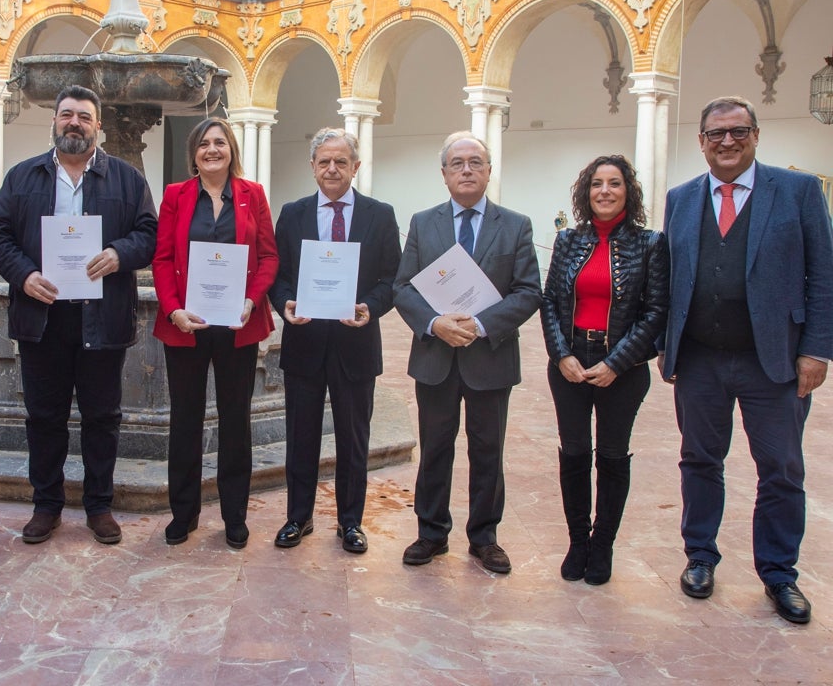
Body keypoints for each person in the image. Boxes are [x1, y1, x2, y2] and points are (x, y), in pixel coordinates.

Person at [660, 96, 833, 624]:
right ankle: (700, 557)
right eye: (716, 134)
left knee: (781, 470)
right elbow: (672, 275)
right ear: (702, 142)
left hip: (774, 361)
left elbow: (823, 275)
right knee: (699, 461)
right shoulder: (681, 198)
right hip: (701, 359)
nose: (728, 142)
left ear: (756, 135)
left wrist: (817, 349)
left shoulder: (798, 191)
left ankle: (779, 574)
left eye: (738, 132)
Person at [0, 85, 157, 547]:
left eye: (84, 116)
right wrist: (24, 276)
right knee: (44, 415)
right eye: (67, 115)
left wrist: (120, 254)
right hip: (42, 317)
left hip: (101, 317)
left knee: (102, 416)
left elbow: (149, 234)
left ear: (98, 126)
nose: (74, 123)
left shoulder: (126, 179)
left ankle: (99, 505)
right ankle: (47, 505)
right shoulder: (23, 177)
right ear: (54, 121)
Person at [393, 131, 541, 573]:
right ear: (443, 174)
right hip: (436, 358)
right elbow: (403, 287)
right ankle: (431, 533)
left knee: (487, 450)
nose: (467, 170)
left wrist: (479, 325)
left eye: (476, 162)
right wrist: (435, 323)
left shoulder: (515, 225)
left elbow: (529, 290)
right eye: (457, 163)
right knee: (436, 448)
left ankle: (484, 537)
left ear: (489, 170)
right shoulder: (423, 222)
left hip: (489, 358)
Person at [268, 128, 400, 554]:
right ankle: (298, 517)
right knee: (300, 437)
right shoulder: (292, 213)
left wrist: (370, 307)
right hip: (304, 341)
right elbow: (279, 274)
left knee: (354, 439)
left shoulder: (379, 215)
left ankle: (350, 522)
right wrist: (285, 302)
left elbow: (391, 278)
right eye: (324, 161)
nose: (332, 169)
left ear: (355, 167)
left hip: (355, 345)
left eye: (341, 162)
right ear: (312, 167)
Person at [540, 156, 668, 585]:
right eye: (597, 184)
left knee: (612, 457)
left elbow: (655, 312)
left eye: (615, 183)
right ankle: (578, 542)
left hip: (623, 369)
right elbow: (551, 304)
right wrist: (562, 355)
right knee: (574, 454)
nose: (605, 191)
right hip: (571, 363)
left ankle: (603, 546)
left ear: (628, 191)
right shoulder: (568, 241)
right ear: (586, 192)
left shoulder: (650, 244)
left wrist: (616, 362)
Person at [152, 117, 278, 549]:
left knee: (235, 421)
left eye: (219, 143)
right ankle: (183, 514)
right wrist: (173, 311)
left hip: (238, 325)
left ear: (231, 150)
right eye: (203, 144)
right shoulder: (176, 195)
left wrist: (251, 300)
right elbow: (163, 258)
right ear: (193, 154)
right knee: (185, 420)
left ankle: (234, 516)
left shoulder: (252, 195)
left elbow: (268, 258)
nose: (211, 150)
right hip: (188, 324)